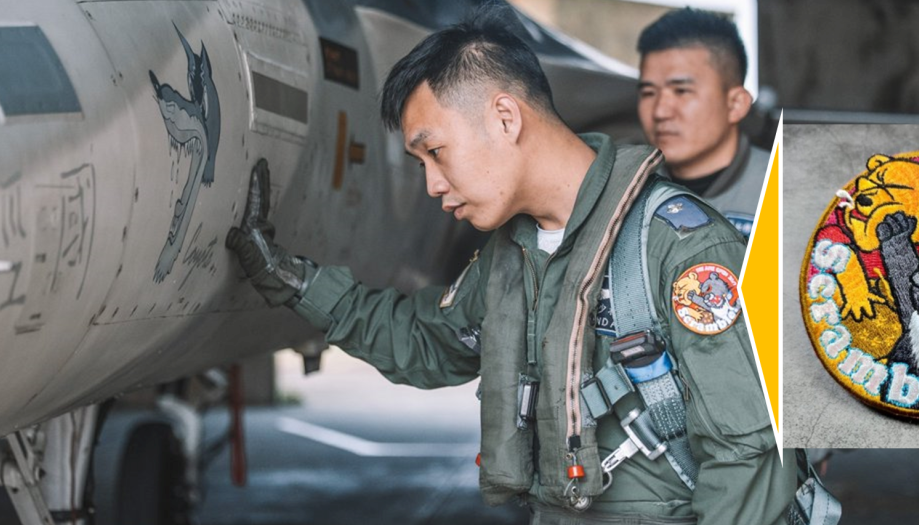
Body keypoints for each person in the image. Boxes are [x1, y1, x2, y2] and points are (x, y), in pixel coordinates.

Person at [226, 6, 794, 524]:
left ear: (504, 116)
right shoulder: (509, 257)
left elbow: (749, 455)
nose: (431, 183)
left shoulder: (678, 245)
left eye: (436, 150)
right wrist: (293, 281)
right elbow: (429, 342)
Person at [636, 8, 769, 238]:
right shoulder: (628, 188)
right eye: (648, 93)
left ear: (736, 104)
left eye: (681, 91)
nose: (660, 111)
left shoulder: (781, 188)